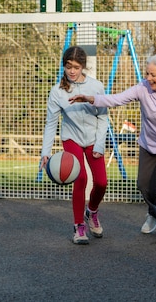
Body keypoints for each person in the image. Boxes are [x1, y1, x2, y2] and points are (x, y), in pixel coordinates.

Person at [69, 53, 156, 243]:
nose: (148, 78)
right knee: (143, 183)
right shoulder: (142, 89)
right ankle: (154, 211)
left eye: (153, 75)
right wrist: (90, 98)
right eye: (147, 74)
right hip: (149, 139)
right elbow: (116, 99)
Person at [40, 46, 109, 245]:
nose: (72, 71)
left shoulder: (96, 86)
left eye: (76, 67)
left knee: (102, 183)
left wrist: (99, 145)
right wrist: (45, 152)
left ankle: (92, 212)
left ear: (83, 67)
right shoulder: (57, 92)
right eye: (68, 66)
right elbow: (51, 123)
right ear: (64, 66)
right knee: (81, 178)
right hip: (71, 139)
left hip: (94, 139)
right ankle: (79, 226)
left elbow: (103, 119)